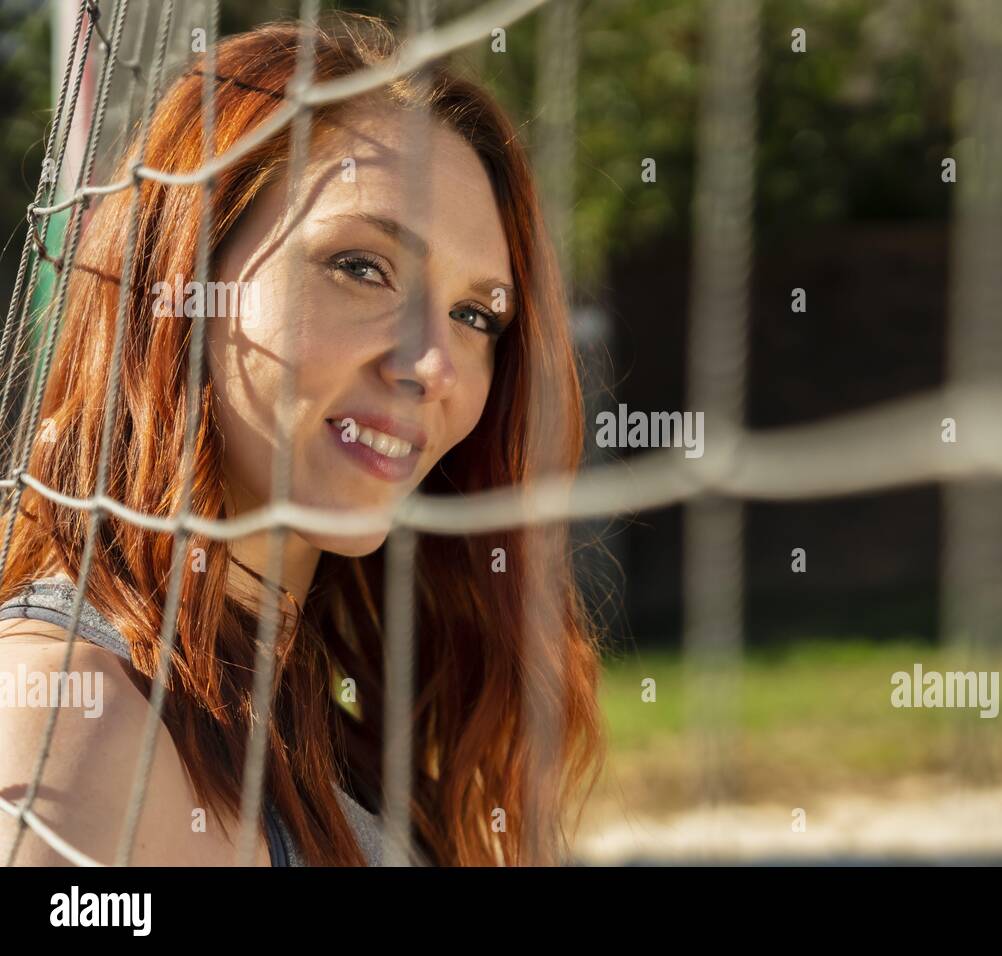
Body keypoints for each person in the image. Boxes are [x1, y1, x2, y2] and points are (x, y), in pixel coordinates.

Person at [0, 13, 606, 867]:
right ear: (185, 274)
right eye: (362, 267)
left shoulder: (318, 718)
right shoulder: (65, 716)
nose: (433, 362)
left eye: (477, 316)